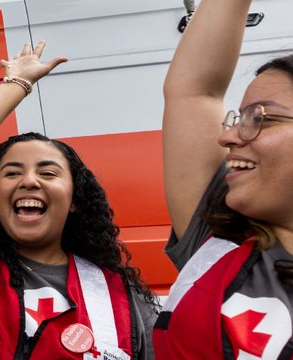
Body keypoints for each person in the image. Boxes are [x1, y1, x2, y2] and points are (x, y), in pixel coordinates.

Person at [0, 42, 158, 359]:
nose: (29, 181)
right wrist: (19, 82)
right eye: (12, 173)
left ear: (74, 200)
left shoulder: (122, 301)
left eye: (47, 173)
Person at [154, 0, 293, 357]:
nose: (228, 136)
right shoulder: (218, 238)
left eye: (260, 118)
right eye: (239, 118)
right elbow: (194, 92)